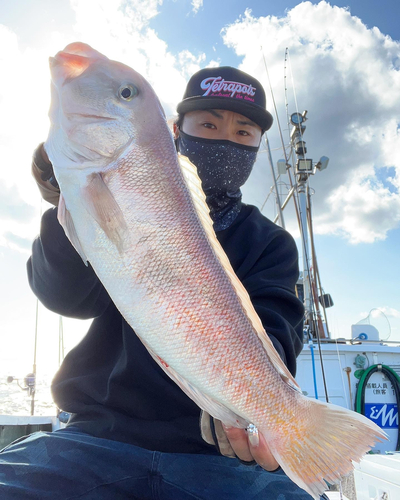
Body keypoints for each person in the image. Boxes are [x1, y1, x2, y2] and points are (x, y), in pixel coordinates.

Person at [0, 66, 315, 499]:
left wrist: (242, 406)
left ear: (257, 148)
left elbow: (275, 323)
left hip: (219, 457)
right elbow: (66, 297)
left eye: (244, 133)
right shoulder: (110, 192)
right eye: (208, 124)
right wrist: (70, 199)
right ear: (173, 131)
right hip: (94, 438)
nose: (226, 140)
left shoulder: (271, 243)